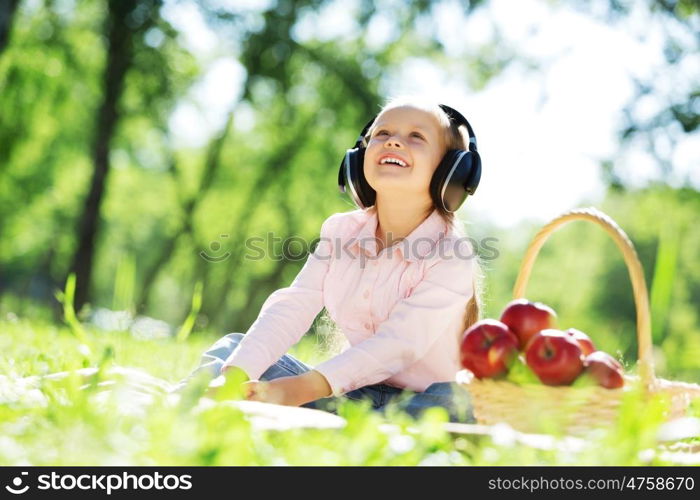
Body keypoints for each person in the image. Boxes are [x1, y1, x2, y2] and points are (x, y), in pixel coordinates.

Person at [174, 95, 484, 423]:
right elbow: (293, 306)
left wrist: (303, 388)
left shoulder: (452, 255)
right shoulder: (340, 232)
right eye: (382, 134)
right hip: (347, 393)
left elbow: (400, 343)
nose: (393, 140)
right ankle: (181, 403)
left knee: (458, 402)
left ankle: (352, 430)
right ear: (358, 158)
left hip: (418, 403)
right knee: (234, 351)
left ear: (451, 172)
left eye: (416, 137)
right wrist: (235, 377)